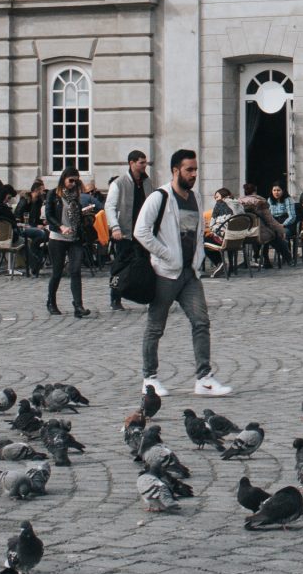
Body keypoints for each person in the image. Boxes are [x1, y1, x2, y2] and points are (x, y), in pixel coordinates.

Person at [136, 148, 227, 397]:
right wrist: (165, 254)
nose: (194, 174)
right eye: (189, 169)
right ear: (176, 170)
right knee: (155, 327)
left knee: (201, 322)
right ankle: (150, 378)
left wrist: (197, 260)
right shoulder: (159, 197)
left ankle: (204, 378)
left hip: (190, 274)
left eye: (196, 169)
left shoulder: (196, 197)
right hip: (165, 273)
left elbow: (197, 233)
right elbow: (141, 231)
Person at [103, 151, 151, 311]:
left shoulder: (147, 182)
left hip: (143, 231)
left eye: (145, 162)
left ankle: (148, 295)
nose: (145, 165)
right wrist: (115, 227)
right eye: (141, 162)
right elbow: (110, 206)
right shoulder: (119, 183)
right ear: (132, 163)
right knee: (121, 265)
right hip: (125, 232)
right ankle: (115, 297)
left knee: (146, 263)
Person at [45, 171, 92, 315]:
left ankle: (78, 306)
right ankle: (51, 302)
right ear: (63, 179)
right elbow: (49, 215)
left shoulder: (76, 195)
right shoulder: (53, 194)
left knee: (76, 270)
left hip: (74, 238)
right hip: (57, 237)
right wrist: (61, 226)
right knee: (57, 272)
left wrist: (83, 214)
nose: (73, 184)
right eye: (71, 180)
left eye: (76, 182)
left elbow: (74, 215)